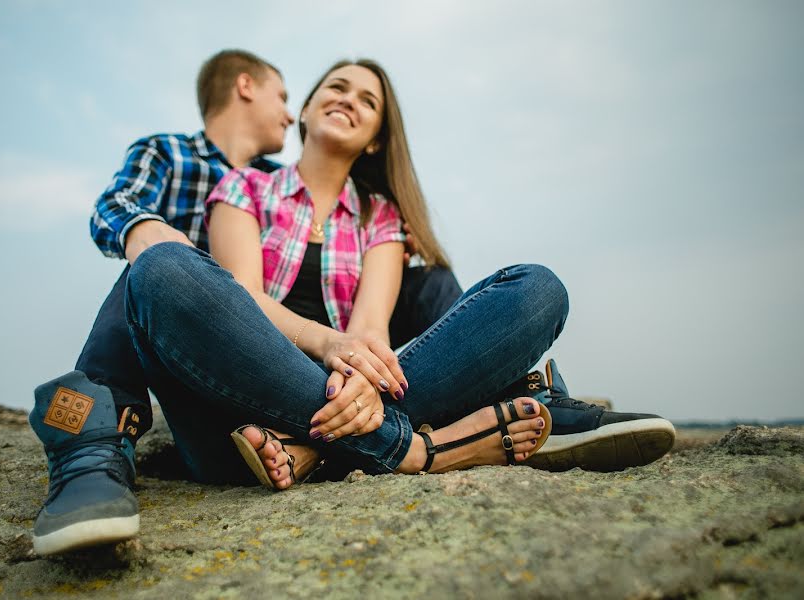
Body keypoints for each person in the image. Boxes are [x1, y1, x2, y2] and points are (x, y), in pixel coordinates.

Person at [27, 50, 464, 556]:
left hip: (287, 355)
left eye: (367, 101)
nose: (285, 109)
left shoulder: (296, 188)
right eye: (283, 95)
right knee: (148, 269)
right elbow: (115, 206)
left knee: (439, 281)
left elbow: (357, 303)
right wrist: (155, 237)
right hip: (192, 329)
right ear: (245, 87)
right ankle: (93, 443)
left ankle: (498, 391)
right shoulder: (179, 157)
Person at [123, 58, 568, 494]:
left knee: (537, 289)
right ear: (305, 108)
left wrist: (358, 372)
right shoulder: (245, 186)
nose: (348, 100)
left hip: (334, 409)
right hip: (239, 423)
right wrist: (328, 342)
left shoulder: (381, 215)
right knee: (161, 267)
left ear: (375, 139)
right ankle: (418, 451)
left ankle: (316, 451)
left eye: (368, 101)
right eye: (337, 87)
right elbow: (244, 298)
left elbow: (369, 331)